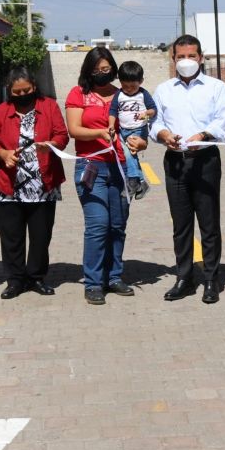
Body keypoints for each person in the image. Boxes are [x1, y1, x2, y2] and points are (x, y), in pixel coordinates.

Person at [153, 35, 225, 304]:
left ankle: (211, 279)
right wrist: (163, 134)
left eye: (192, 56)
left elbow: (224, 119)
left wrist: (203, 135)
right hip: (175, 160)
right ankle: (184, 277)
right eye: (181, 56)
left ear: (201, 57)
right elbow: (155, 121)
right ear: (173, 58)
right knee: (181, 224)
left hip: (205, 159)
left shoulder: (216, 87)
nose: (186, 61)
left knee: (209, 223)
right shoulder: (164, 89)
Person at [67, 47, 140, 305]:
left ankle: (114, 276)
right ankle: (93, 282)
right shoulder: (79, 94)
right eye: (97, 69)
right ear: (88, 70)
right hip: (91, 167)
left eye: (107, 69)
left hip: (122, 167)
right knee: (98, 225)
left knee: (117, 225)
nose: (102, 73)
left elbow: (137, 126)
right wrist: (98, 134)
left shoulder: (124, 95)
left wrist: (139, 142)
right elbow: (74, 129)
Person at [0, 67, 67, 299]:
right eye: (17, 91)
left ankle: (36, 277)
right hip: (8, 185)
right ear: (10, 91)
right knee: (11, 236)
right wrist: (3, 154)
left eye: (27, 90)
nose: (23, 94)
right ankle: (15, 280)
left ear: (35, 86)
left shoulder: (49, 106)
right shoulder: (1, 111)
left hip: (44, 183)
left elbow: (63, 135)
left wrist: (51, 144)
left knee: (41, 236)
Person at [108, 60, 156, 200]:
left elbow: (153, 109)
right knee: (130, 156)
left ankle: (133, 182)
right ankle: (141, 182)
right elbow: (113, 111)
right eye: (125, 85)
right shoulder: (119, 95)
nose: (128, 89)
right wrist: (111, 125)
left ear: (141, 81)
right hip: (123, 130)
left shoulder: (143, 94)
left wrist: (146, 114)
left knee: (129, 155)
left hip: (138, 130)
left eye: (132, 86)